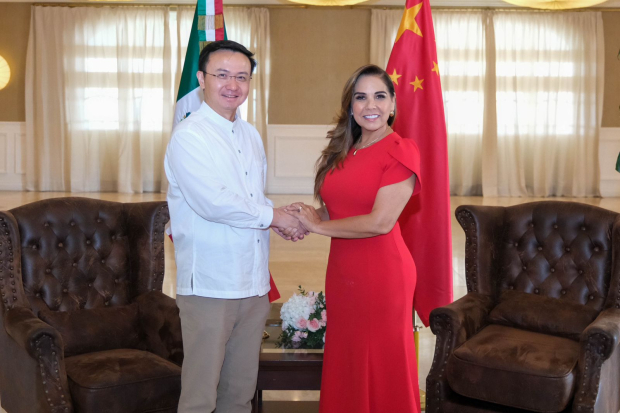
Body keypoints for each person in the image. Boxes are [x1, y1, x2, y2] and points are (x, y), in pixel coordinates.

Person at [164, 40, 305, 413]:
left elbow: (250, 200)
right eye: (222, 75)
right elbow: (215, 203)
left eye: (241, 77)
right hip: (210, 285)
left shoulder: (250, 135)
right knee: (200, 395)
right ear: (202, 78)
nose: (232, 85)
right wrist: (275, 217)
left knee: (240, 392)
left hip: (253, 283)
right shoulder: (189, 137)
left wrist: (281, 214)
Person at [285, 64, 422, 413]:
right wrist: (306, 217)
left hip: (383, 275)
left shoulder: (401, 150)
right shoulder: (346, 150)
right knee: (347, 358)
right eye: (360, 97)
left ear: (393, 104)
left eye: (379, 96)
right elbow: (340, 209)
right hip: (344, 274)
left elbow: (380, 222)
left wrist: (316, 227)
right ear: (350, 106)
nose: (370, 105)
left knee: (379, 362)